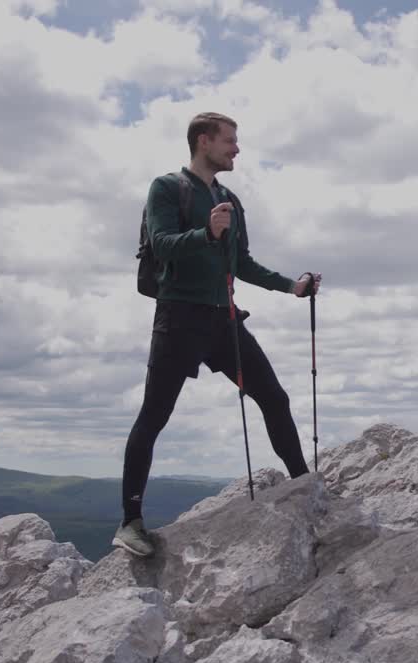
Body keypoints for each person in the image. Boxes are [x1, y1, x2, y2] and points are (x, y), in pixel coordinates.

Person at [114, 111, 322, 557]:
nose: (236, 149)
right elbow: (163, 244)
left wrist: (292, 287)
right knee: (154, 417)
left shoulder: (230, 199)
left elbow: (241, 263)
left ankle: (304, 485)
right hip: (179, 319)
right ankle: (130, 522)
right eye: (229, 140)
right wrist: (206, 233)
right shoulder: (166, 188)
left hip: (223, 321)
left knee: (274, 397)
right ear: (204, 141)